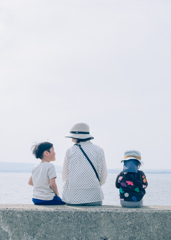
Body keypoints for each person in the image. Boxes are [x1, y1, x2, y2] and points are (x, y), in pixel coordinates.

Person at [62, 123, 107, 206]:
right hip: (95, 196)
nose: (72, 140)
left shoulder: (70, 150)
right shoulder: (99, 150)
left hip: (73, 197)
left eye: (72, 137)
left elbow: (65, 176)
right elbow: (103, 176)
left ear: (77, 137)